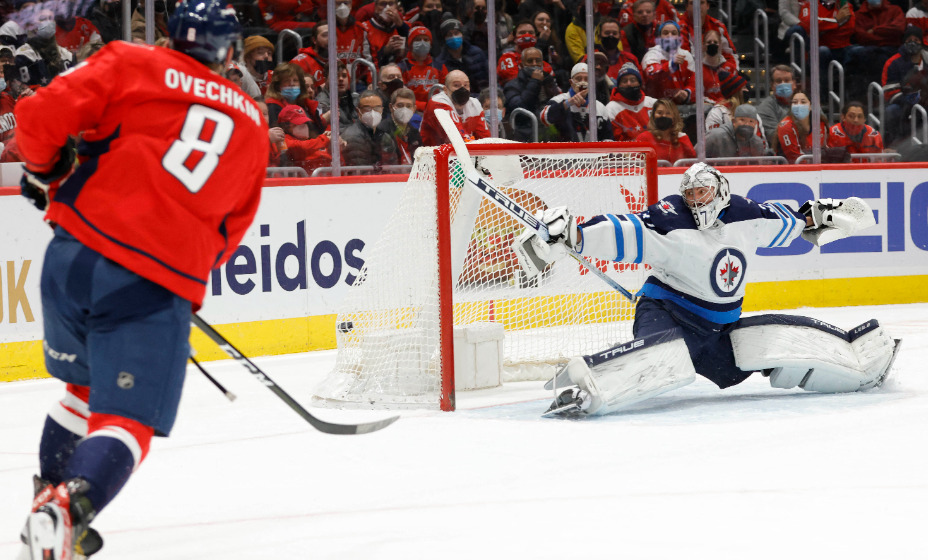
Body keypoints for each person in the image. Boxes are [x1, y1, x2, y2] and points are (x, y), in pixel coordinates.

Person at [13, 1, 268, 557]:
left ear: (173, 34)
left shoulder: (130, 61)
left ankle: (47, 502)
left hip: (70, 259)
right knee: (126, 419)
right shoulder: (251, 123)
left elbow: (35, 119)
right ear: (228, 52)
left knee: (81, 390)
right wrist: (177, 269)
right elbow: (231, 229)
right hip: (147, 284)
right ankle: (63, 515)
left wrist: (49, 170)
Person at [513, 162, 897, 417]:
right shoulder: (668, 219)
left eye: (705, 192)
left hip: (718, 331)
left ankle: (857, 365)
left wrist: (817, 217)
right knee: (663, 356)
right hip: (667, 314)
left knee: (772, 343)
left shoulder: (745, 214)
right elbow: (622, 230)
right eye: (692, 193)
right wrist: (574, 234)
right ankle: (583, 391)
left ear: (720, 191)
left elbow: (787, 222)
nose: (698, 200)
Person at [539, 61, 614, 141]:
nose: (582, 82)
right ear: (571, 82)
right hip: (565, 152)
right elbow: (544, 119)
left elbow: (608, 139)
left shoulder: (600, 107)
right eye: (578, 78)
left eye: (586, 79)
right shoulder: (558, 100)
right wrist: (568, 103)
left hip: (591, 153)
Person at [847, 0, 905, 101]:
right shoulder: (859, 15)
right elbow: (861, 37)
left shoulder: (895, 10)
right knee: (858, 54)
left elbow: (898, 29)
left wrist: (875, 30)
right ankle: (862, 98)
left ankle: (877, 98)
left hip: (891, 49)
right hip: (869, 51)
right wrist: (885, 38)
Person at [882, 26, 928, 146]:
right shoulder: (893, 62)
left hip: (926, 101)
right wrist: (909, 99)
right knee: (892, 111)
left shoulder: (927, 60)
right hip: (901, 103)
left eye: (916, 40)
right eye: (909, 40)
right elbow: (889, 91)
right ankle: (894, 143)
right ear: (904, 42)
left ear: (921, 42)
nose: (913, 42)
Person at [420, 68, 490, 146]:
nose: (462, 89)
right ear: (445, 90)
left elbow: (485, 139)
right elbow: (457, 137)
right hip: (431, 153)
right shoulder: (437, 103)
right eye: (456, 85)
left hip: (461, 153)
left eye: (466, 85)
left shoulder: (474, 104)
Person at [504, 46, 561, 141]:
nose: (534, 64)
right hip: (525, 135)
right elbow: (520, 108)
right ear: (522, 65)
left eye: (538, 61)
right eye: (530, 61)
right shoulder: (512, 86)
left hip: (549, 133)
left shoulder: (549, 81)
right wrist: (535, 81)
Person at [641, 20, 696, 106]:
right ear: (659, 37)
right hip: (657, 106)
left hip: (682, 106)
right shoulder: (652, 55)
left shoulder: (686, 55)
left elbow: (694, 81)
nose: (669, 36)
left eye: (674, 33)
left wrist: (687, 92)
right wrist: (671, 65)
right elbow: (651, 76)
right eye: (665, 33)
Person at [433, 14, 489, 92]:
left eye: (456, 33)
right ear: (444, 38)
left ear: (462, 35)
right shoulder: (440, 62)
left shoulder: (477, 53)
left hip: (482, 97)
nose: (453, 37)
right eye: (449, 34)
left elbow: (489, 79)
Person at [399, 25, 446, 112]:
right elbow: (401, 96)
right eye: (418, 39)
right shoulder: (402, 67)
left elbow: (447, 91)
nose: (422, 43)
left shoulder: (439, 66)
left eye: (426, 40)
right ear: (410, 44)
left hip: (437, 110)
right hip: (410, 110)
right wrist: (425, 106)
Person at [635, 97, 696, 163]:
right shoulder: (643, 138)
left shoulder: (682, 137)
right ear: (653, 116)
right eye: (659, 113)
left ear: (674, 117)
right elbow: (636, 165)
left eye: (668, 113)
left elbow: (692, 163)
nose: (663, 116)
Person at [605, 62, 656, 141]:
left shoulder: (652, 103)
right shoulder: (611, 109)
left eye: (633, 80)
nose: (629, 84)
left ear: (639, 83)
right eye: (624, 81)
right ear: (619, 85)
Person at [278, 104, 336, 172]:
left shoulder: (312, 142)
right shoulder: (282, 140)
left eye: (305, 123)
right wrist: (325, 139)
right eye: (298, 124)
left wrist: (332, 146)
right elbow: (300, 146)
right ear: (286, 127)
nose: (304, 126)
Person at [776, 90, 829, 163]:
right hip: (789, 170)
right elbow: (795, 158)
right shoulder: (786, 126)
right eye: (795, 102)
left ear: (810, 106)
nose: (798, 105)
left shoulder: (820, 123)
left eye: (803, 102)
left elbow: (825, 151)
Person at [755, 64, 798, 153]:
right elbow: (775, 136)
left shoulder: (806, 103)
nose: (783, 84)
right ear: (772, 85)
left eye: (787, 80)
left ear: (794, 84)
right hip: (781, 155)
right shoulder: (765, 107)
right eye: (778, 81)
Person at [705, 103, 770, 159]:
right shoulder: (715, 136)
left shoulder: (757, 143)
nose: (747, 124)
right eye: (742, 120)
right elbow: (697, 159)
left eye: (751, 121)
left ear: (755, 124)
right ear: (733, 121)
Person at [379, 86, 421, 163]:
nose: (405, 109)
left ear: (414, 109)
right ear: (391, 107)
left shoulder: (415, 132)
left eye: (408, 106)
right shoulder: (382, 130)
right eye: (400, 105)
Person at [363, 0, 411, 68]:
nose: (387, 8)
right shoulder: (364, 29)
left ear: (396, 7)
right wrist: (385, 51)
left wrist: (401, 26)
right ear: (375, 7)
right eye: (383, 4)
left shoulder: (406, 27)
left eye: (391, 4)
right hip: (377, 74)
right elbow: (366, 64)